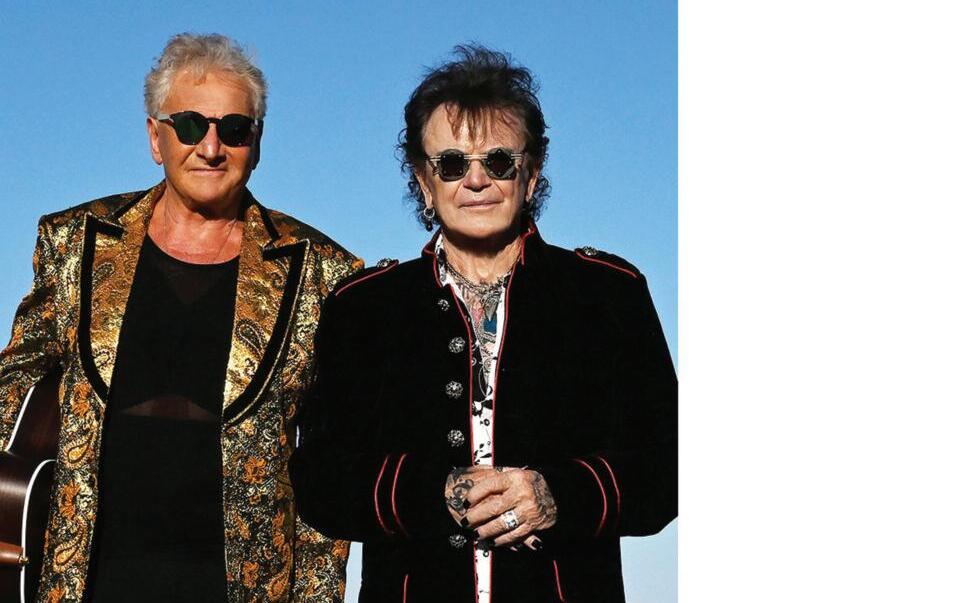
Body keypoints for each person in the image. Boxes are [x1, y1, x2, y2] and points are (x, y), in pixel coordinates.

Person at [290, 45, 677, 602]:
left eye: (498, 161)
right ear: (423, 181)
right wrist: (436, 494)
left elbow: (670, 465)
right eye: (451, 164)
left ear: (532, 173)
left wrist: (557, 494)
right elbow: (319, 478)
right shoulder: (364, 308)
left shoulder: (610, 295)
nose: (476, 181)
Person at [0, 33, 358, 602]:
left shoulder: (322, 271)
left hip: (240, 588)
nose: (211, 147)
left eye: (233, 129)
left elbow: (328, 459)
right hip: (85, 581)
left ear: (257, 142)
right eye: (190, 125)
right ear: (154, 137)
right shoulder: (73, 242)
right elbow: (14, 386)